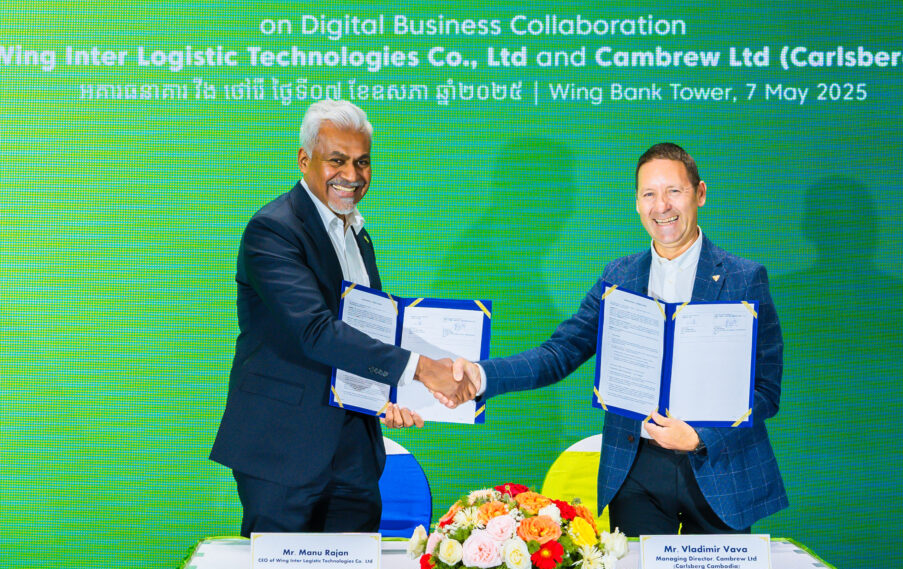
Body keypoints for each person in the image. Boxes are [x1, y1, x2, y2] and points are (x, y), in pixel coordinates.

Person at [441, 143, 787, 535]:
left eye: (674, 191)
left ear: (700, 193)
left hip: (719, 468)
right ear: (637, 204)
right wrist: (482, 375)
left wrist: (699, 437)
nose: (662, 206)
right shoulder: (619, 278)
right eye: (649, 194)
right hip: (635, 471)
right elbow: (560, 351)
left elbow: (765, 389)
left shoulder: (744, 278)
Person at [210, 100, 474, 536]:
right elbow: (315, 331)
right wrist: (422, 369)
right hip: (284, 451)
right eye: (337, 161)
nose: (351, 175)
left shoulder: (357, 234)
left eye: (362, 162)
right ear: (304, 160)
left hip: (355, 452)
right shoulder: (273, 230)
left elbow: (365, 331)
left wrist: (389, 395)